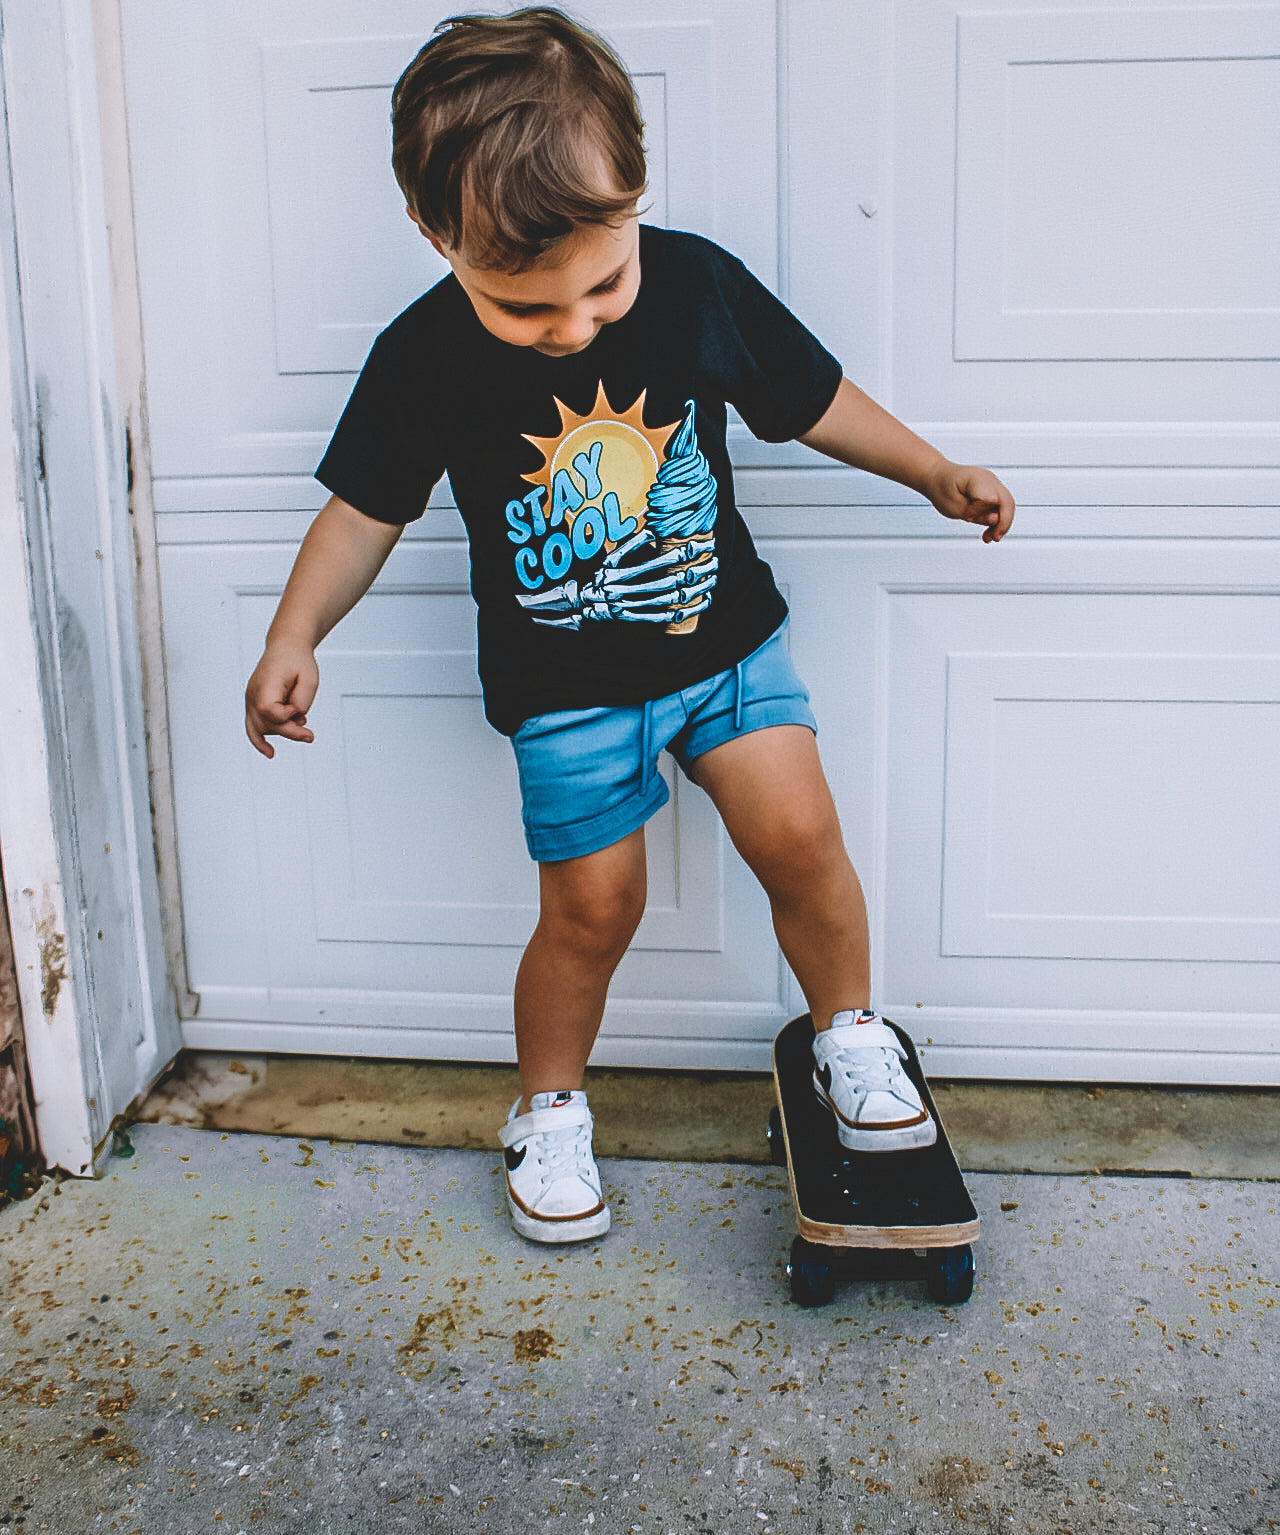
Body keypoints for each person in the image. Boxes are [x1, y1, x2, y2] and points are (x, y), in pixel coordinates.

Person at [244, 7, 1015, 1247]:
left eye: (602, 285)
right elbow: (361, 512)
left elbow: (811, 396)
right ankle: (547, 1109)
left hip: (727, 650)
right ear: (435, 236)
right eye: (523, 308)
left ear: (635, 195)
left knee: (801, 837)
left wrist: (930, 470)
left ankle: (849, 1034)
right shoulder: (422, 355)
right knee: (593, 909)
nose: (572, 328)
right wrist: (296, 634)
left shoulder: (693, 282)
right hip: (565, 693)